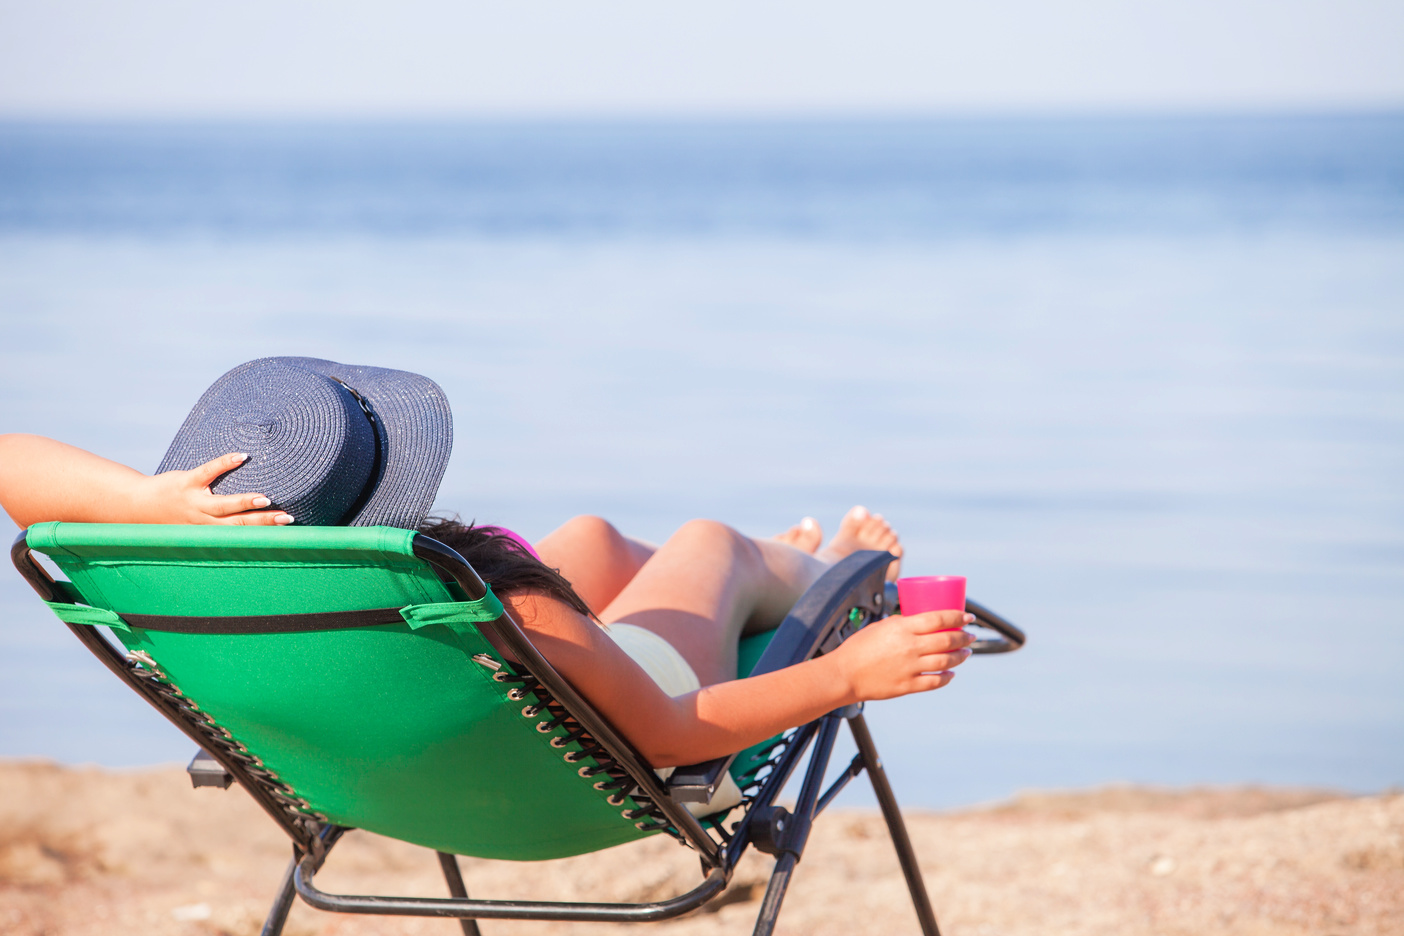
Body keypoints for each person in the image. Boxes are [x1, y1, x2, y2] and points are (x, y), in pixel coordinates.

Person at [0, 357, 974, 809]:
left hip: (378, 757)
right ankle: (825, 572)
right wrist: (854, 672)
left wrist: (148, 504)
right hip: (613, 724)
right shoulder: (493, 604)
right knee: (712, 543)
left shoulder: (184, 575)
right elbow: (673, 733)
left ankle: (776, 560)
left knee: (589, 536)